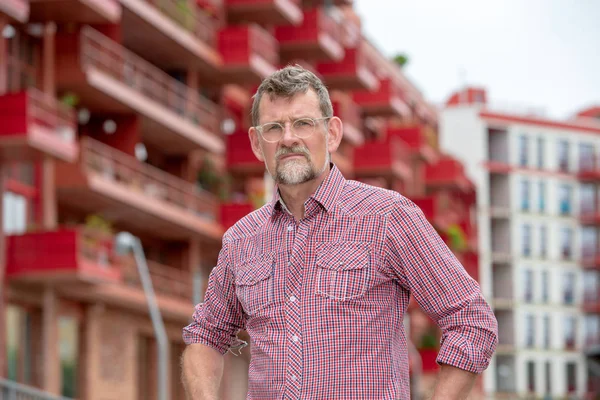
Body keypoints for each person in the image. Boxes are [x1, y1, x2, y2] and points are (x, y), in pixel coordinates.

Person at [182, 65, 498, 400]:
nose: (288, 138)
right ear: (257, 144)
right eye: (274, 128)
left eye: (303, 124)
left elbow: (471, 320)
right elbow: (205, 334)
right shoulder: (240, 241)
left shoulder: (387, 217)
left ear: (332, 133)